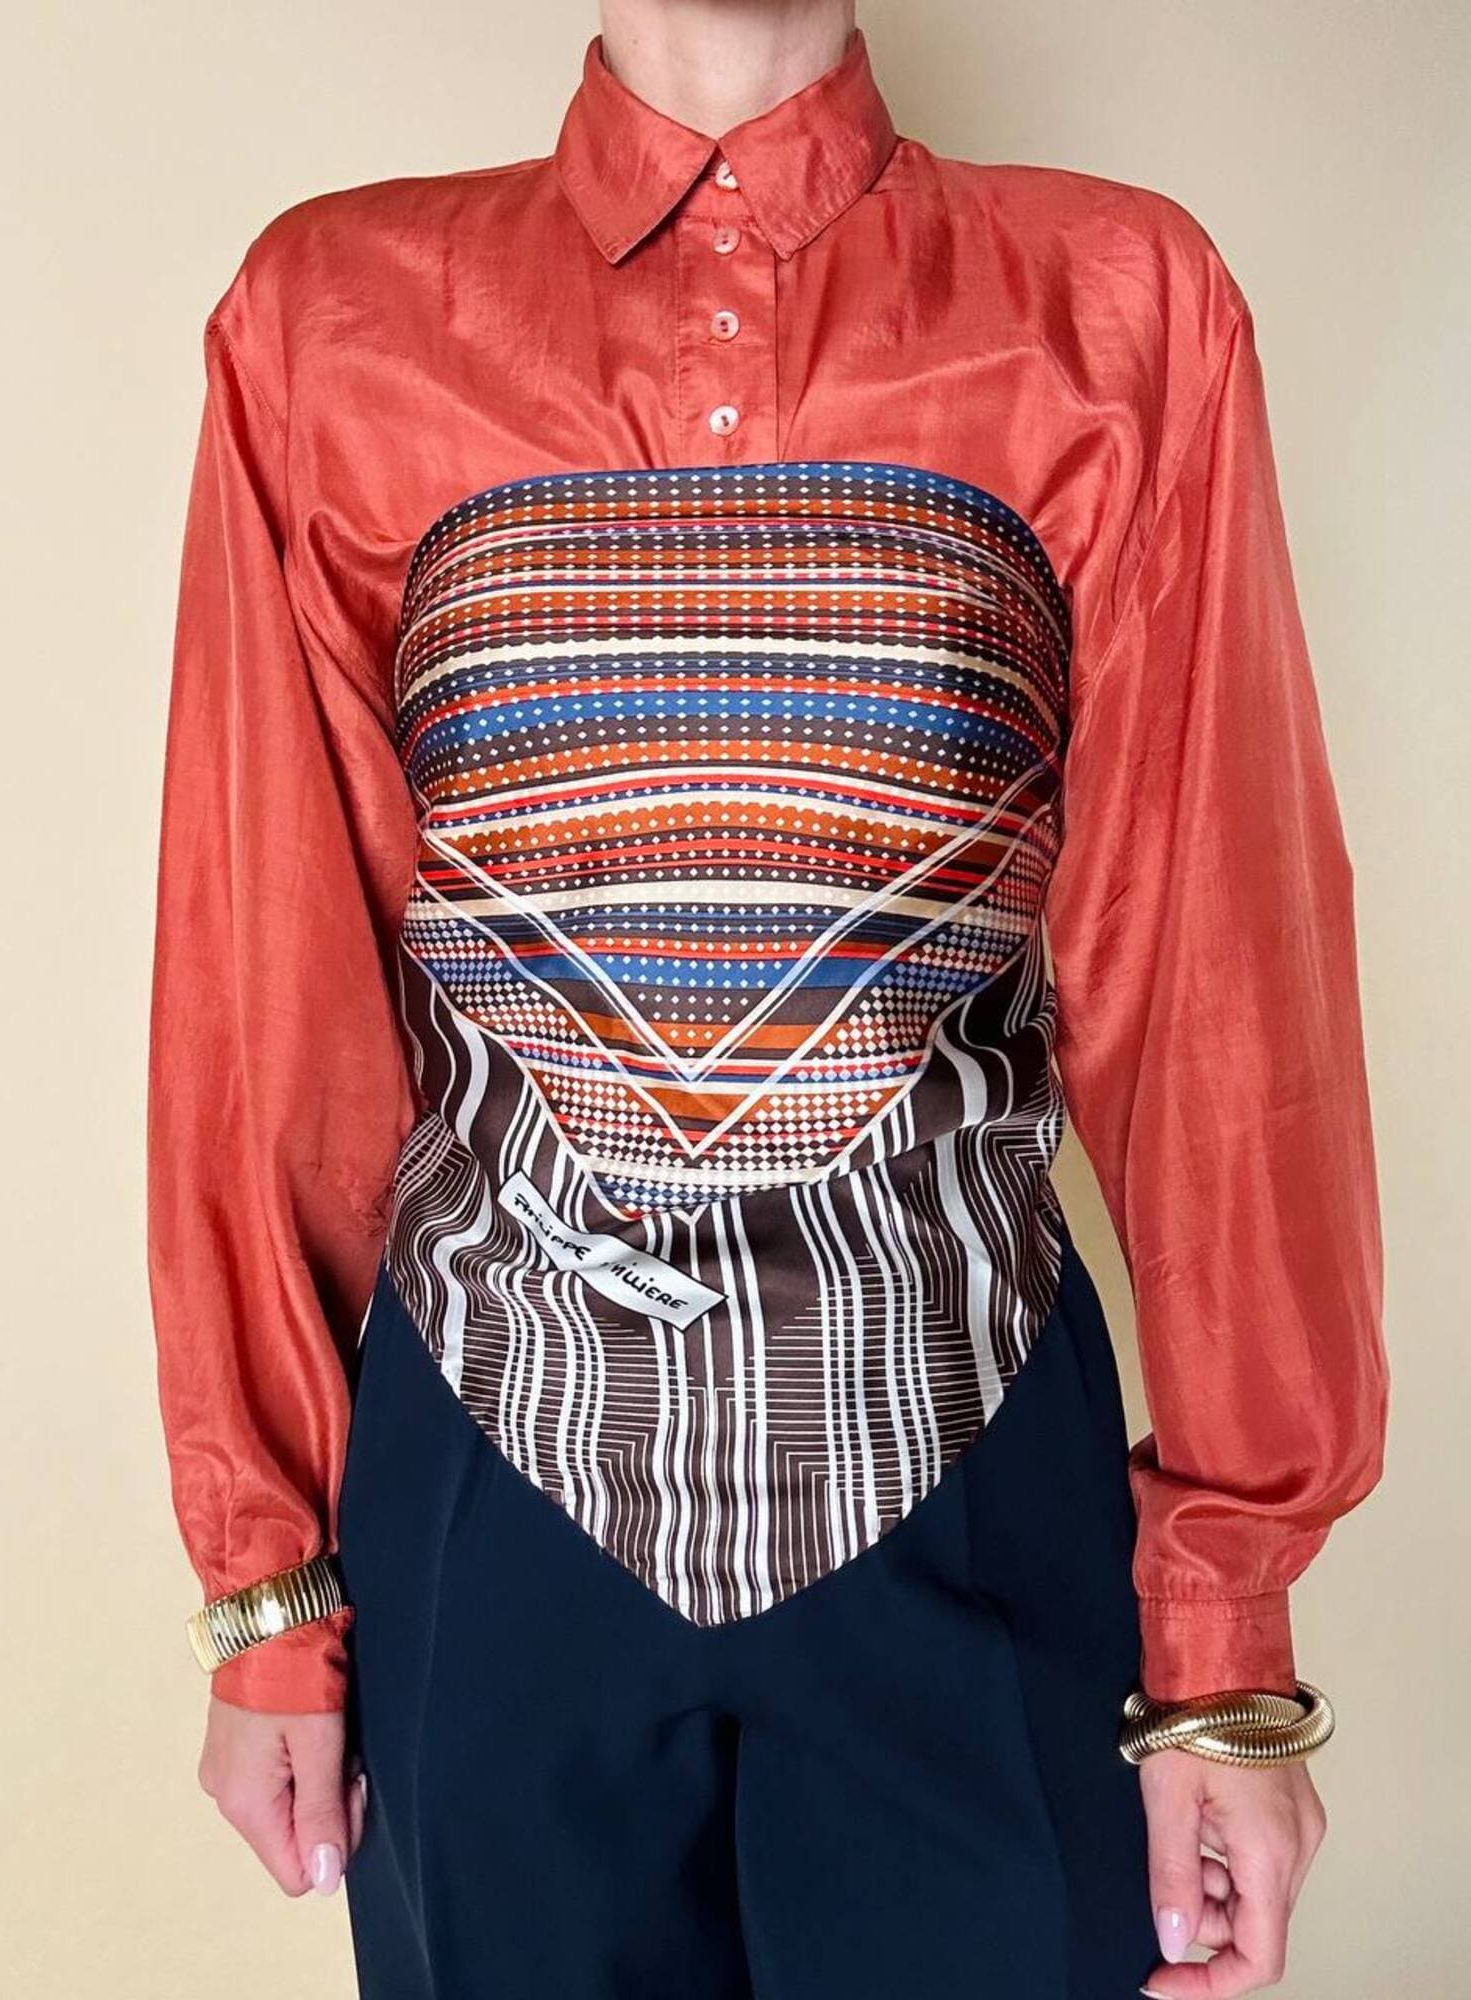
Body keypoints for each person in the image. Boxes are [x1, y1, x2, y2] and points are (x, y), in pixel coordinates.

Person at [145, 3, 1390, 1995]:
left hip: (964, 1459)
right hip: (490, 1479)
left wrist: (1224, 1645)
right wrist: (265, 1582)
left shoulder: (1111, 301)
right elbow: (263, 986)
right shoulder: (331, 318)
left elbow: (1215, 983)